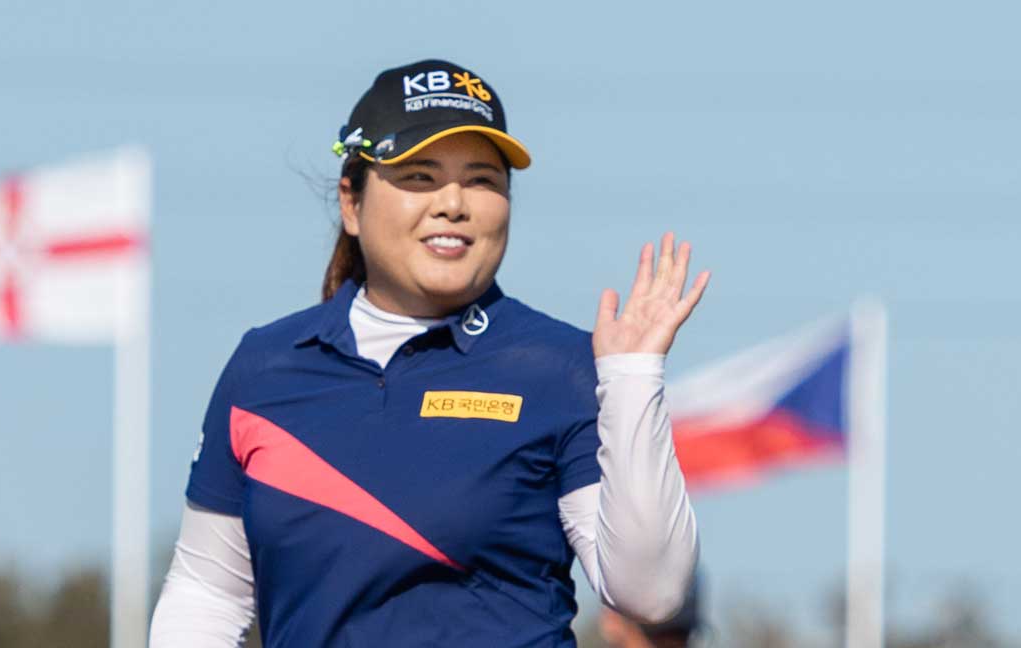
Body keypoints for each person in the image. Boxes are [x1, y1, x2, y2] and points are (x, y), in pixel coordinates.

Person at [150, 58, 709, 648]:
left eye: (482, 179)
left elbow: (652, 593)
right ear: (351, 203)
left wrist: (630, 375)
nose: (453, 203)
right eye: (418, 176)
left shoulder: (563, 368)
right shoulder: (265, 367)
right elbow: (205, 594)